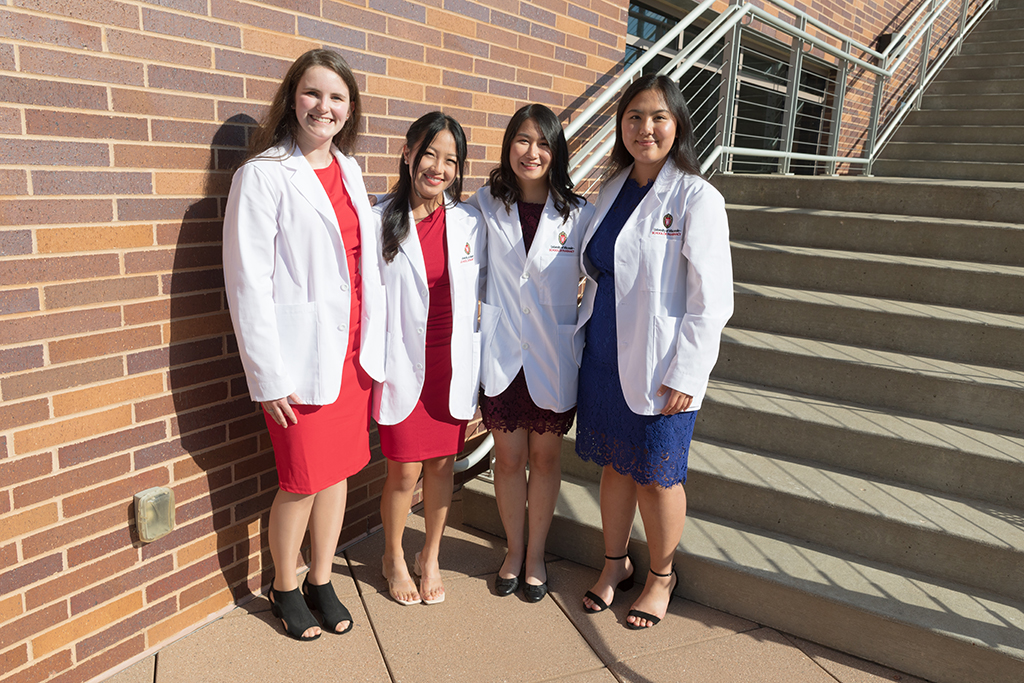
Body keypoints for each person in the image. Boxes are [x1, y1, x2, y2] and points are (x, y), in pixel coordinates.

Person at [222, 49, 384, 641]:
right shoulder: (262, 174)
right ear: (292, 98)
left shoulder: (351, 170)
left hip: (351, 356)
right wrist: (267, 376)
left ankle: (321, 578)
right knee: (300, 478)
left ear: (350, 109)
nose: (325, 106)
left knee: (337, 473)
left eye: (337, 97)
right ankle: (284, 584)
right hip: (297, 359)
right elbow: (247, 284)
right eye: (313, 93)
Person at [574, 74, 733, 629]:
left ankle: (662, 576)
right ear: (621, 125)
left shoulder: (697, 196)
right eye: (635, 116)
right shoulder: (612, 187)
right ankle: (614, 564)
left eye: (658, 117)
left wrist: (690, 369)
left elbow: (712, 300)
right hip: (604, 352)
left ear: (678, 125)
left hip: (664, 362)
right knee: (617, 468)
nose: (645, 128)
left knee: (658, 475)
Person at [469, 104, 594, 602]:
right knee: (507, 457)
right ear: (509, 146)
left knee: (544, 458)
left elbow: (604, 279)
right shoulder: (483, 203)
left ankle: (537, 554)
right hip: (502, 354)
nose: (532, 152)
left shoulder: (577, 213)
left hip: (551, 353)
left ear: (557, 151)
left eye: (543, 143)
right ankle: (513, 551)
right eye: (523, 140)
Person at [374, 112, 486, 606]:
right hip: (402, 362)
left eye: (450, 160)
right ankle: (394, 556)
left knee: (443, 464)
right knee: (403, 472)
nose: (438, 167)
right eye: (429, 154)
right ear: (407, 153)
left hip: (450, 363)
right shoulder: (378, 217)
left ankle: (430, 555)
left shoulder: (468, 222)